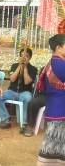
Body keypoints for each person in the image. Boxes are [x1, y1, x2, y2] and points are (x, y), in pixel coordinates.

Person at [0, 48, 38, 137]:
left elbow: (27, 82)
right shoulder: (14, 66)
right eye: (21, 56)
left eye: (26, 56)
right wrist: (19, 66)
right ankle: (6, 118)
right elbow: (12, 79)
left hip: (25, 92)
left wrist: (25, 68)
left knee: (28, 98)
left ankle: (24, 124)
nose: (23, 58)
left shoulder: (33, 69)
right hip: (12, 91)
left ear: (30, 58)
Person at [37, 34, 65, 166]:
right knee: (53, 146)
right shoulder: (59, 64)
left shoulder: (53, 62)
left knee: (54, 144)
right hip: (60, 110)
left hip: (55, 108)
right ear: (59, 47)